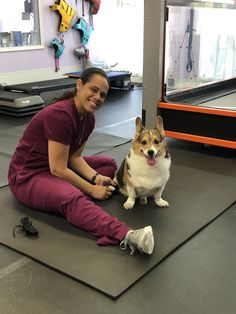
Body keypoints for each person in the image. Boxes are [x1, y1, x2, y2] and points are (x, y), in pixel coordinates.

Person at [8, 67, 154, 255]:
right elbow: (59, 169)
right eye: (93, 90)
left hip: (55, 166)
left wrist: (95, 178)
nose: (98, 97)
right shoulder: (60, 115)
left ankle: (78, 200)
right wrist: (91, 188)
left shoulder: (88, 119)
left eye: (103, 94)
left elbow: (74, 158)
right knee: (71, 197)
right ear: (79, 85)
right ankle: (128, 235)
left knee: (107, 166)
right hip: (26, 177)